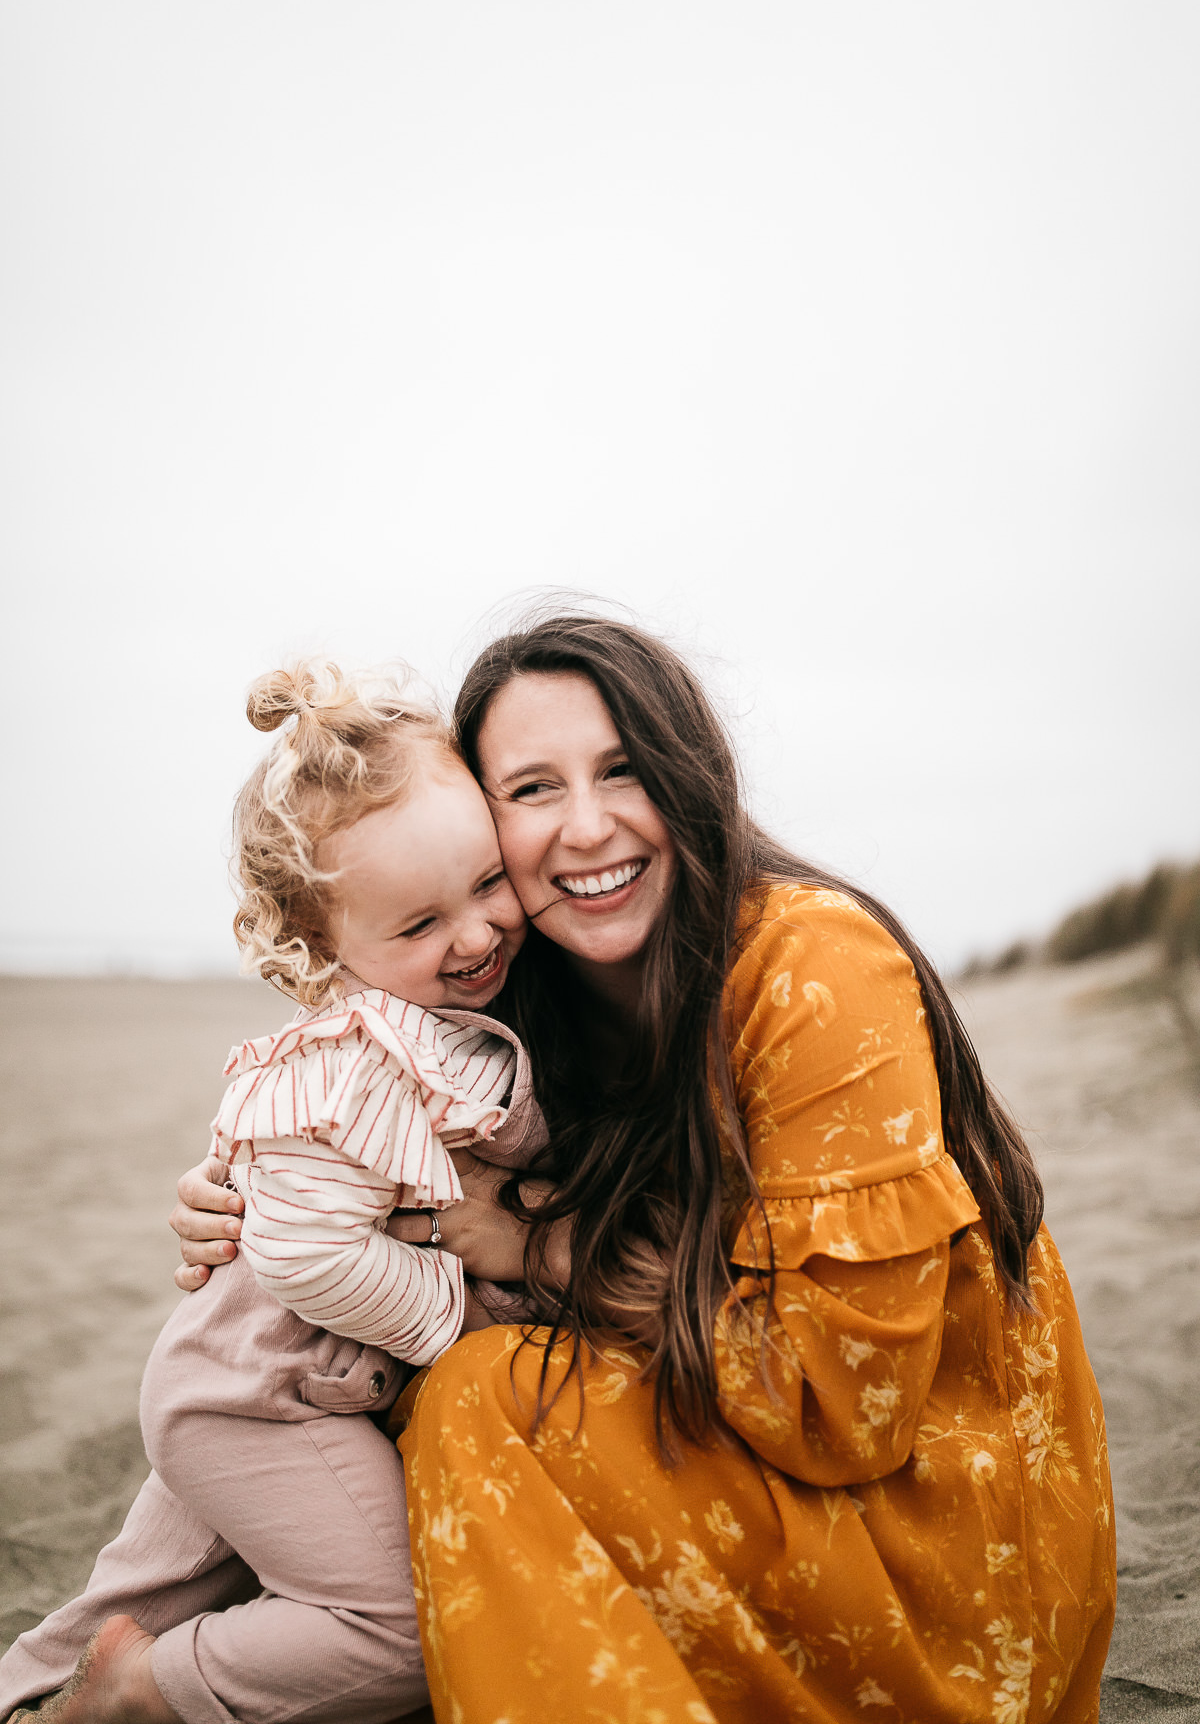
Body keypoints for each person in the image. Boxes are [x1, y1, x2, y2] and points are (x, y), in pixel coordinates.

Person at [173, 614, 1117, 1723]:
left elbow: (839, 1408)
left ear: (691, 776)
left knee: (480, 1394)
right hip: (731, 1434)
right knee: (331, 1364)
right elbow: (338, 1130)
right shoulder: (525, 992)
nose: (585, 827)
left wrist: (536, 1245)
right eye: (531, 789)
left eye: (621, 771)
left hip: (925, 1525)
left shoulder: (815, 964)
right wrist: (232, 1199)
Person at [0, 661, 554, 1724]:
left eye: (487, 887)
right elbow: (304, 1252)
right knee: (396, 1629)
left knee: (148, 1587)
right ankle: (141, 1695)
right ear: (322, 955)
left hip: (253, 1367)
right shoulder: (353, 1053)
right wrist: (459, 1317)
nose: (477, 935)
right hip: (260, 1394)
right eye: (420, 926)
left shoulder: (446, 1015)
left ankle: (31, 1692)